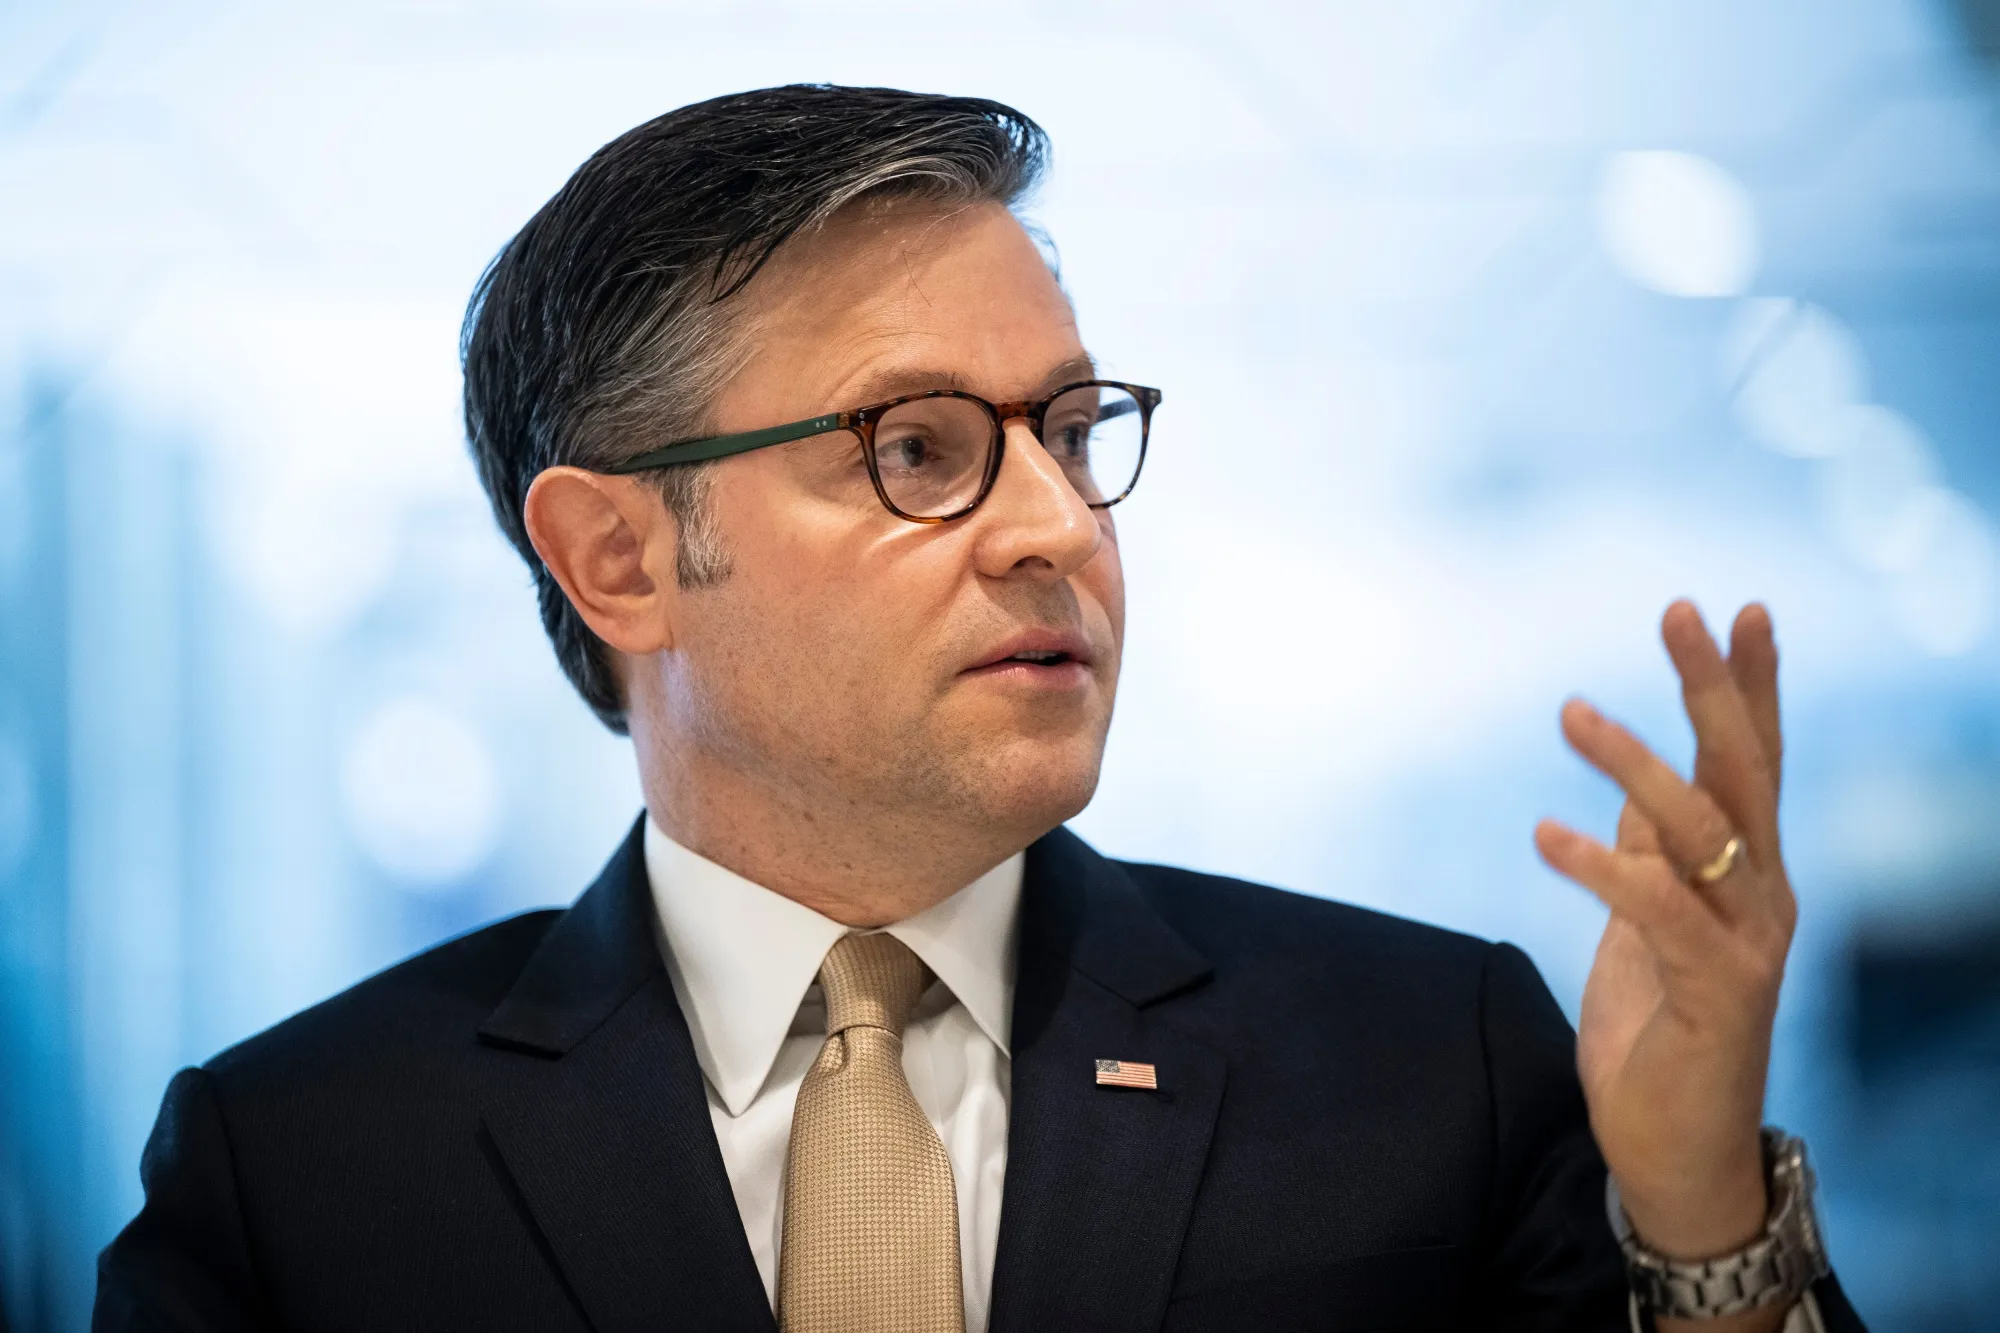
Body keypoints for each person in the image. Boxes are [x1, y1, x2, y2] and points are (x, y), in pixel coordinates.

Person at [95, 85, 1866, 1332]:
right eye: (918, 449)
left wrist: (1698, 1211)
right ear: (620, 559)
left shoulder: (1431, 1064)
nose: (1055, 526)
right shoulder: (307, 1166)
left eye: (1076, 432)